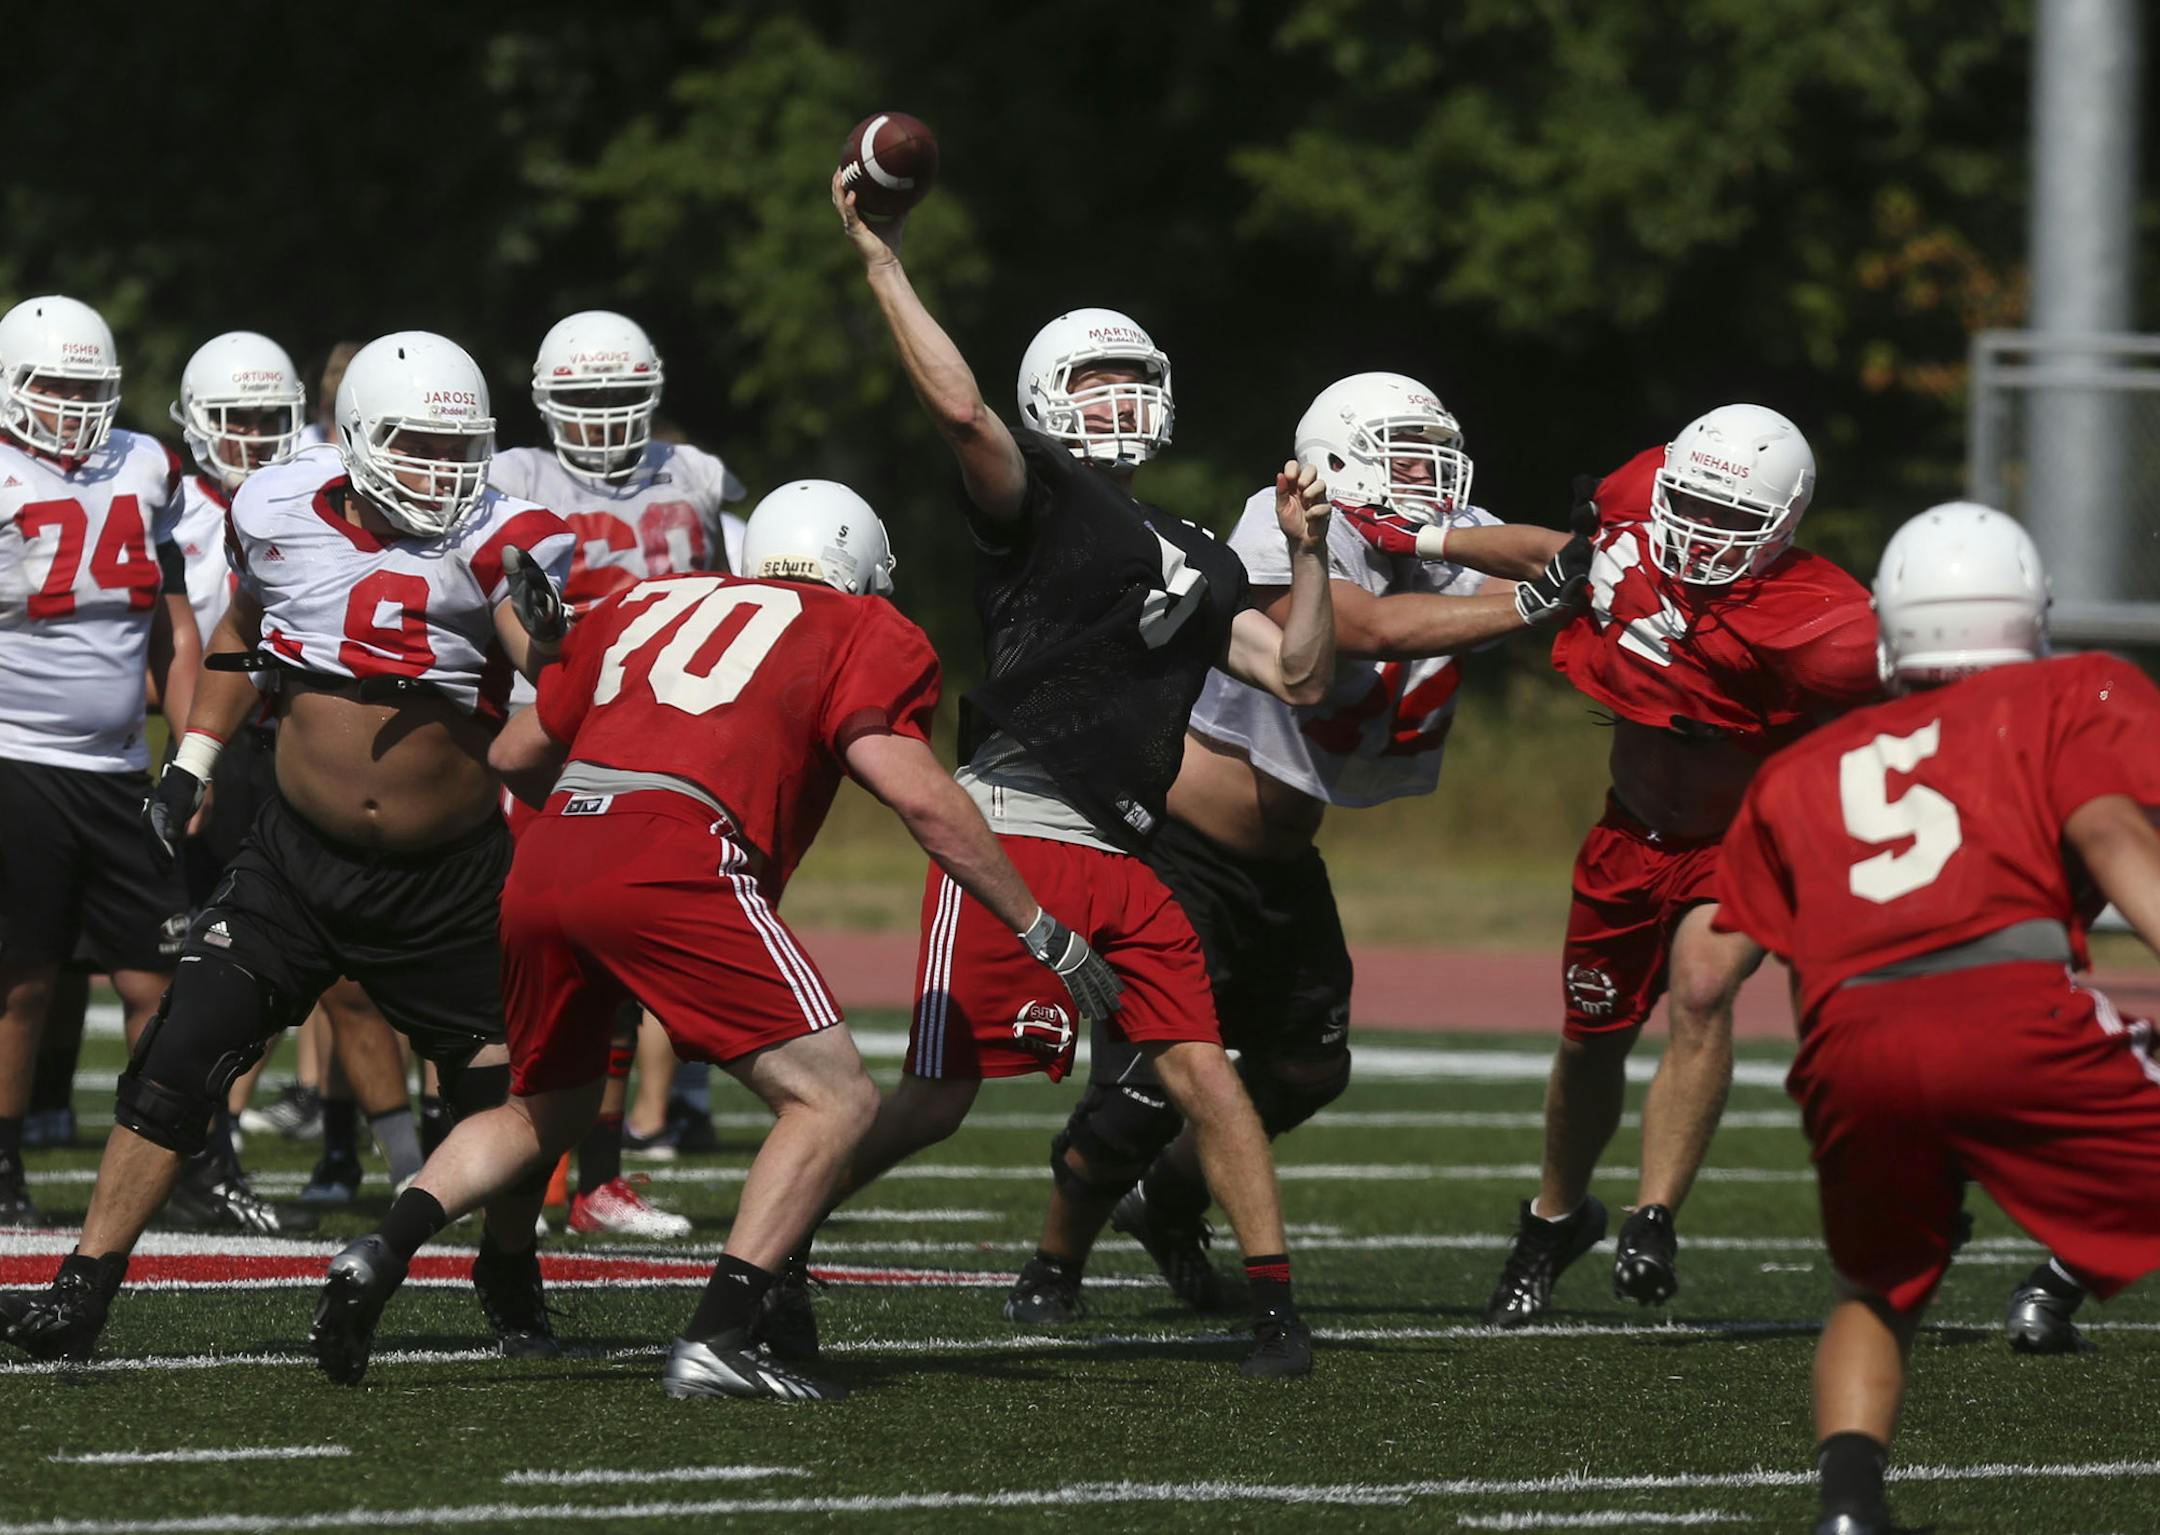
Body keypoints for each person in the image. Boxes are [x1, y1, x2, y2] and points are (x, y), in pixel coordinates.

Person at [309, 479, 1119, 1400]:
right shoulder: (859, 627)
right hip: (677, 854)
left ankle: (383, 1246)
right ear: (857, 566)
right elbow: (924, 795)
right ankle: (720, 1335)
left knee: (547, 1107)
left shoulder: (642, 599)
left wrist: (598, 830)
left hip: (554, 845)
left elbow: (512, 755)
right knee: (836, 1100)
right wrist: (1042, 926)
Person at [804, 168, 1336, 1380]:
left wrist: (1306, 558)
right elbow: (958, 416)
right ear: (1048, 401)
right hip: (1014, 826)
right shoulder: (1038, 503)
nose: (1121, 401)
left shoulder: (1198, 547)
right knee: (937, 1100)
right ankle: (778, 1241)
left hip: (1127, 856)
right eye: (1096, 383)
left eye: (1135, 381)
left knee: (1208, 1069)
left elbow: (1298, 673)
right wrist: (885, 260)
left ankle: (1274, 1310)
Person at [0, 331, 574, 1364]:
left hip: (447, 874)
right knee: (177, 1056)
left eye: (460, 449)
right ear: (354, 439)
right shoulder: (272, 510)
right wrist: (195, 758)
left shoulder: (507, 535)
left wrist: (558, 647)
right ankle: (82, 1286)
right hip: (294, 859)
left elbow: (544, 669)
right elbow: (241, 634)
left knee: (500, 1086)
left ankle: (506, 1256)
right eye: (416, 446)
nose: (442, 473)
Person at [1008, 371, 1592, 1317]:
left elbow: (1569, 554)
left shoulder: (1424, 528)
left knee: (1310, 1068)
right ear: (1341, 458)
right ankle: (1054, 1262)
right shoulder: (1281, 521)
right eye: (1404, 453)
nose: (1427, 473)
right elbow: (1361, 630)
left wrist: (1436, 535)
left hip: (1283, 856)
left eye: (1431, 452)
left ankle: (1169, 1199)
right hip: (1183, 845)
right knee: (1151, 1087)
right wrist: (1528, 606)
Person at [1711, 503, 2160, 1535]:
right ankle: (2059, 1274)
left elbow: (1748, 956)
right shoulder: (2065, 691)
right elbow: (2110, 831)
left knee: (1875, 1283)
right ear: (2030, 614)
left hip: (1852, 1043)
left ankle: (1848, 1507)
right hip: (2011, 1008)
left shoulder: (1800, 767)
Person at [1483, 404, 1880, 1326]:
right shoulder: (1635, 492)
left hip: (1740, 842)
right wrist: (1425, 533)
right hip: (1628, 833)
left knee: (1703, 990)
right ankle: (1554, 1216)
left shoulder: (1830, 623)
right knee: (1591, 1039)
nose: (1702, 534)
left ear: (1785, 524)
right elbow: (1556, 552)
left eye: (1735, 519)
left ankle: (1652, 1217)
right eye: (1692, 503)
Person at [490, 309, 751, 1234]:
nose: (601, 419)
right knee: (530, 968)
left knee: (627, 973)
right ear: (545, 404)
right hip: (549, 738)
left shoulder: (699, 478)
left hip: (659, 743)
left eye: (618, 398)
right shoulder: (512, 477)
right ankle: (521, 1163)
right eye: (582, 400)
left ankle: (596, 1178)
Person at [0, 295, 198, 1227]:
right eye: (54, 385)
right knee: (23, 977)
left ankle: (154, 1154)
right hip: (16, 757)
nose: (74, 404)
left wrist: (194, 752)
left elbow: (176, 624)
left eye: (89, 386)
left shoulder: (147, 463)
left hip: (122, 767)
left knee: (158, 979)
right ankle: (4, 1168)